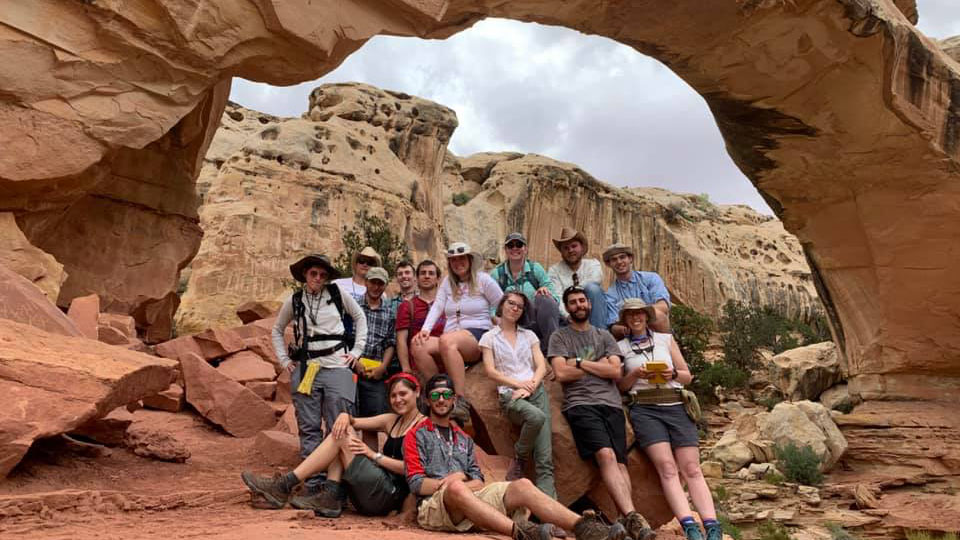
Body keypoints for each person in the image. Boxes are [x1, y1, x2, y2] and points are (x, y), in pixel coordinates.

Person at [404, 374, 627, 540]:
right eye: (435, 395)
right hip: (433, 508)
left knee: (522, 484)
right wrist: (450, 483)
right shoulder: (416, 435)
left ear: (454, 400)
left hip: (469, 498)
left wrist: (461, 479)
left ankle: (587, 528)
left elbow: (478, 480)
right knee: (455, 488)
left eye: (446, 395)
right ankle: (522, 532)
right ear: (428, 400)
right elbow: (416, 484)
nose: (441, 399)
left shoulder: (463, 438)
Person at [548, 286, 655, 540]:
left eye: (582, 300)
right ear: (567, 308)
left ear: (590, 304)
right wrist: (600, 366)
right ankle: (633, 517)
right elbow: (561, 374)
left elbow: (615, 372)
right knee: (605, 455)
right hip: (581, 404)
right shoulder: (559, 337)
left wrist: (579, 363)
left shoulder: (604, 336)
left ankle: (627, 523)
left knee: (620, 462)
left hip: (611, 404)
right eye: (573, 302)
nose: (579, 305)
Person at [241, 373, 424, 518]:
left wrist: (373, 455)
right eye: (393, 395)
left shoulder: (424, 427)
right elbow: (353, 422)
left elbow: (414, 471)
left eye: (403, 394)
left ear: (417, 392)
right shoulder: (391, 420)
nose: (397, 399)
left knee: (341, 435)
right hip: (373, 488)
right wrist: (345, 416)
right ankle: (330, 494)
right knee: (341, 430)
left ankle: (285, 485)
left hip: (389, 496)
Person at [616, 299, 719, 540]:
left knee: (692, 468)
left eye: (639, 313)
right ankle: (690, 527)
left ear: (646, 315)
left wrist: (671, 373)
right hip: (644, 408)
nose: (636, 318)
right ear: (625, 320)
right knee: (667, 468)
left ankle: (712, 526)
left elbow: (686, 376)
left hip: (675, 404)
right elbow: (620, 385)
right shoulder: (620, 347)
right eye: (630, 315)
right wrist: (634, 373)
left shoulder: (665, 339)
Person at [272, 253, 368, 503]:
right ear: (305, 274)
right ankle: (314, 485)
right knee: (308, 427)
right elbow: (276, 330)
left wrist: (356, 352)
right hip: (307, 368)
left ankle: (338, 486)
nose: (318, 278)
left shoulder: (336, 294)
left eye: (323, 275)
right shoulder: (294, 301)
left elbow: (360, 317)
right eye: (314, 273)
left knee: (339, 426)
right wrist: (284, 361)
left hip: (338, 365)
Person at [416, 242, 503, 424]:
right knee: (418, 345)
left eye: (462, 258)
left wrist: (501, 332)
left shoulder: (483, 279)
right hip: (451, 337)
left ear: (470, 260)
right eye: (453, 260)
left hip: (478, 334)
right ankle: (439, 390)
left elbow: (503, 304)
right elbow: (438, 306)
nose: (458, 263)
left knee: (447, 341)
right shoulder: (447, 283)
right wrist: (425, 330)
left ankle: (460, 401)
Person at [479, 291, 555, 499]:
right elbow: (491, 371)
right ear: (502, 305)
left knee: (544, 459)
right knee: (536, 417)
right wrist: (518, 385)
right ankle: (520, 455)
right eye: (511, 303)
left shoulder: (529, 336)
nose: (514, 308)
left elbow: (541, 366)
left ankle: (551, 517)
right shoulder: (489, 337)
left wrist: (529, 386)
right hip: (509, 395)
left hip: (535, 392)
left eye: (519, 306)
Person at [489, 232, 561, 353]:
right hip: (511, 320)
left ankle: (552, 349)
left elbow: (555, 298)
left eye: (519, 244)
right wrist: (497, 319)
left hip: (534, 319)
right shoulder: (497, 274)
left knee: (545, 299)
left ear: (525, 249)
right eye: (511, 245)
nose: (515, 248)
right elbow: (491, 304)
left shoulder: (535, 268)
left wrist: (545, 291)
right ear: (506, 250)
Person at [357, 266, 397, 449]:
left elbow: (390, 342)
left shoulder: (389, 311)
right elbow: (344, 337)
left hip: (376, 372)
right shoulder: (353, 306)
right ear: (366, 282)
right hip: (351, 368)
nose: (376, 287)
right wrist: (354, 362)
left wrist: (383, 367)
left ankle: (369, 466)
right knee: (343, 416)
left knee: (372, 423)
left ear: (385, 286)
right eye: (373, 282)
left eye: (380, 283)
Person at [602, 243, 671, 338]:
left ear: (630, 259)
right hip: (630, 334)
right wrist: (630, 327)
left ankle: (666, 347)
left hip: (656, 329)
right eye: (614, 259)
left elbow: (663, 306)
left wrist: (640, 318)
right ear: (608, 264)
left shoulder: (651, 278)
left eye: (622, 257)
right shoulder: (610, 294)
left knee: (658, 315)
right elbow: (613, 326)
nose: (619, 262)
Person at [547, 227, 607, 329]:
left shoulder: (593, 265)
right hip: (567, 316)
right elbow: (557, 296)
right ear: (561, 251)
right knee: (550, 300)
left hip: (590, 314)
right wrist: (568, 316)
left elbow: (593, 283)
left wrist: (572, 292)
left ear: (582, 248)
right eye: (566, 248)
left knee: (593, 289)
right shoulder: (554, 271)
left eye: (574, 246)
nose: (570, 250)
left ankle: (600, 335)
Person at [397, 260, 445, 374]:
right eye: (423, 273)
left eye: (431, 273)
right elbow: (401, 340)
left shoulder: (448, 306)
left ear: (438, 279)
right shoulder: (407, 306)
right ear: (416, 278)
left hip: (447, 365)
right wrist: (406, 368)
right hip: (418, 369)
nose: (427, 276)